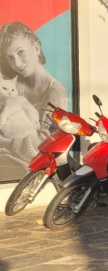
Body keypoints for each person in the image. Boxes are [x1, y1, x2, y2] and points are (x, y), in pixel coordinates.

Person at [0, 21, 68, 168]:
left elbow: (42, 149)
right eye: (10, 57)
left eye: (20, 52)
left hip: (34, 175)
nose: (16, 63)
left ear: (36, 48)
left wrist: (5, 142)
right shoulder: (13, 84)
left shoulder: (55, 93)